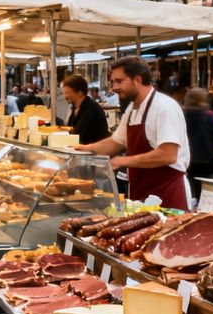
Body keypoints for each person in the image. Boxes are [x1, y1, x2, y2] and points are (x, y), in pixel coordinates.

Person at [76, 56, 191, 210]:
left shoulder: (164, 107)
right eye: (112, 82)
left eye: (119, 81)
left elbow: (168, 155)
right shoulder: (132, 109)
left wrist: (122, 161)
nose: (113, 88)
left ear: (137, 79)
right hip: (142, 194)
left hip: (168, 194)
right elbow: (116, 142)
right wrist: (85, 149)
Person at [184, 88, 213, 198]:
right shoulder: (208, 116)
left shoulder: (183, 115)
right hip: (207, 159)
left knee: (193, 189)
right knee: (208, 191)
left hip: (189, 159)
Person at [63, 74, 109, 144]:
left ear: (79, 92)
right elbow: (70, 130)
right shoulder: (76, 108)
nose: (65, 96)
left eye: (67, 93)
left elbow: (78, 134)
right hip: (82, 149)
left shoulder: (91, 108)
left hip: (95, 152)